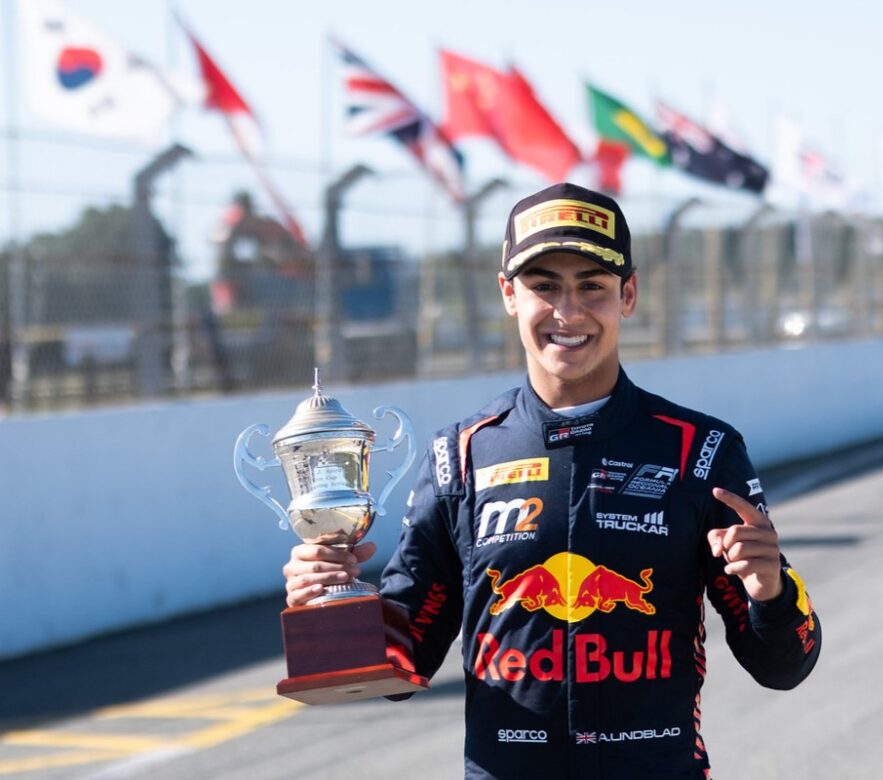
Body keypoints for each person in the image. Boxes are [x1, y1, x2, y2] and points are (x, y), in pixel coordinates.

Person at [283, 182, 821, 779]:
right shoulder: (458, 457)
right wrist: (330, 601)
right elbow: (403, 666)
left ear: (628, 295)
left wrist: (770, 592)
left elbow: (783, 666)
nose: (568, 312)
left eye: (592, 286)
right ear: (508, 294)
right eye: (545, 286)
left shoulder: (702, 450)